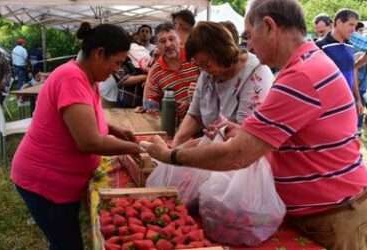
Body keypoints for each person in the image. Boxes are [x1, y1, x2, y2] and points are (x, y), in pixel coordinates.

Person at [141, 0, 367, 249]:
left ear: (269, 26)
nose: (248, 46)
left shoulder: (300, 75)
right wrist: (244, 132)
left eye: (249, 35)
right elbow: (287, 135)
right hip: (320, 212)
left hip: (334, 217)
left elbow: (237, 156)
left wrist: (170, 155)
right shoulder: (302, 66)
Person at [11, 22, 143, 250]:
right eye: (117, 62)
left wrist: (112, 129)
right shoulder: (71, 78)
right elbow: (88, 141)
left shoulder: (86, 76)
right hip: (45, 183)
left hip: (59, 181)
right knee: (67, 244)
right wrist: (138, 149)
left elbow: (82, 117)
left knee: (64, 240)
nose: (117, 70)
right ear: (99, 53)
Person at [172, 21, 273, 147]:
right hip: (215, 149)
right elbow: (194, 115)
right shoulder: (207, 72)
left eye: (206, 64)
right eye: (200, 65)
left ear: (220, 52)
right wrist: (176, 144)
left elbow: (244, 136)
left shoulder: (256, 75)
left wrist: (186, 150)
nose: (204, 70)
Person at [143, 22, 200, 122]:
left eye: (171, 39)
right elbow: (149, 102)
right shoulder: (155, 71)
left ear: (179, 40)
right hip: (178, 125)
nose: (168, 44)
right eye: (162, 41)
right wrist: (153, 108)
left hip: (207, 120)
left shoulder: (194, 57)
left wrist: (195, 97)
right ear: (156, 45)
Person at [316, 9, 363, 117]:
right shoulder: (320, 46)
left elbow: (352, 71)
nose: (353, 30)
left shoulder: (350, 46)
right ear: (338, 23)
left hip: (347, 103)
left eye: (355, 26)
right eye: (350, 24)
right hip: (327, 108)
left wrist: (357, 99)